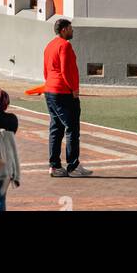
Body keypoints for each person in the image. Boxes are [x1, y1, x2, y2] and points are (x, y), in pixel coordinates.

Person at [43, 18, 91, 179]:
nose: (72, 30)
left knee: (56, 128)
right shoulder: (65, 45)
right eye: (70, 28)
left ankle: (55, 166)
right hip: (63, 92)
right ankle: (73, 165)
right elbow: (66, 70)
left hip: (50, 90)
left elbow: (45, 70)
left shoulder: (49, 45)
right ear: (63, 30)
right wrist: (73, 89)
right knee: (72, 128)